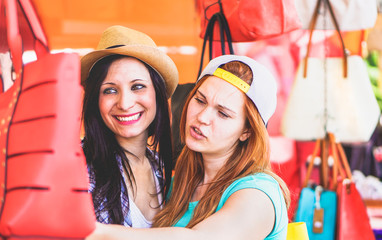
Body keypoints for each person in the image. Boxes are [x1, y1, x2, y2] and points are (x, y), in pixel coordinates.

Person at [86, 54, 290, 239]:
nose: (202, 117)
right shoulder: (176, 184)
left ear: (247, 132)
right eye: (200, 101)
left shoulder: (259, 193)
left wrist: (97, 231)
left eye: (223, 113)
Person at [81, 25, 178, 228]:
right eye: (109, 90)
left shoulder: (161, 168)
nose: (124, 103)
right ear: (95, 101)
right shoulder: (79, 169)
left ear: (157, 95)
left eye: (138, 87)